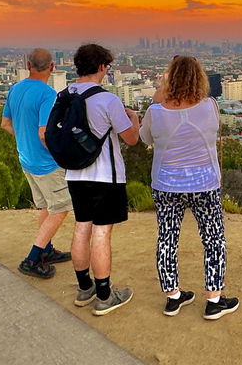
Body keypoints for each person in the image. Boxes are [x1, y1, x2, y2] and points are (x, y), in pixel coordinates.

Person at [139, 56, 238, 319]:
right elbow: (213, 130)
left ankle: (173, 296)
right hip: (205, 184)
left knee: (167, 238)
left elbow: (144, 138)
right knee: (213, 239)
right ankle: (214, 299)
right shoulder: (210, 107)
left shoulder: (155, 112)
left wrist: (158, 98)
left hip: (166, 185)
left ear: (169, 78)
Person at [65, 43, 140, 316]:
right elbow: (131, 138)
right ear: (100, 67)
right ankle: (105, 296)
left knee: (81, 228)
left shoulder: (64, 95)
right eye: (107, 67)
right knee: (101, 233)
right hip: (105, 177)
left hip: (74, 174)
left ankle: (84, 288)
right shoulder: (108, 100)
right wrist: (135, 119)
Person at [2, 48, 72, 279]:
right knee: (60, 208)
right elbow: (44, 133)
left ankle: (47, 250)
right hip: (46, 164)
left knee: (45, 206)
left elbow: (5, 124)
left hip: (27, 160)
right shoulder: (47, 94)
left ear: (29, 65)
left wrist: (24, 141)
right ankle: (32, 259)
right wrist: (59, 154)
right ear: (52, 68)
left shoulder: (15, 89)